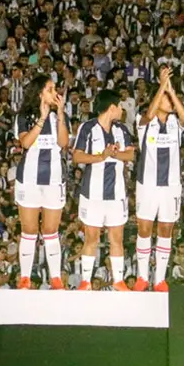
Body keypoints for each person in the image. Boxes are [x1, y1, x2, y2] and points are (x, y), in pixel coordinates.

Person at [72, 89, 136, 291]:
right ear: (111, 107)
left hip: (116, 193)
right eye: (120, 106)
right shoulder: (88, 128)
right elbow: (77, 156)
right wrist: (102, 156)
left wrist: (115, 155)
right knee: (91, 238)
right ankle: (85, 281)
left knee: (116, 238)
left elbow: (131, 155)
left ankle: (118, 281)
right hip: (93, 194)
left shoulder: (121, 130)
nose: (122, 109)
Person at [133, 66, 184, 292]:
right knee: (144, 229)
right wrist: (161, 87)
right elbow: (149, 113)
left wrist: (172, 92)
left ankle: (159, 279)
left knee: (166, 230)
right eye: (165, 99)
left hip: (171, 186)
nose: (169, 102)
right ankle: (142, 277)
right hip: (147, 184)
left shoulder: (176, 123)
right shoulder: (143, 121)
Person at [14, 75, 69, 290]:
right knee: (28, 230)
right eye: (50, 89)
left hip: (54, 179)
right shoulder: (25, 116)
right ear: (39, 93)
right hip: (29, 179)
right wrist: (42, 119)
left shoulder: (59, 116)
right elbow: (25, 142)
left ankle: (56, 278)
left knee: (50, 230)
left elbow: (64, 143)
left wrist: (61, 114)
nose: (55, 92)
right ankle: (25, 278)